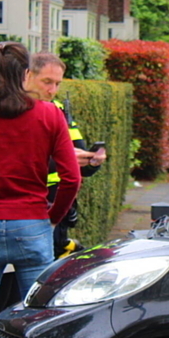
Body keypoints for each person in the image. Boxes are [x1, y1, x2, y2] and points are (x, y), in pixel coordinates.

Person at [0, 42, 81, 334]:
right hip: (32, 224)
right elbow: (72, 178)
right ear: (26, 74)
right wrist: (53, 217)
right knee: (39, 319)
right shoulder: (49, 114)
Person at [23, 52, 106, 256]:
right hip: (25, 206)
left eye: (57, 84)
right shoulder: (11, 110)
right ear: (27, 76)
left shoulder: (59, 110)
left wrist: (92, 161)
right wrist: (64, 161)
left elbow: (80, 158)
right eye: (47, 82)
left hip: (56, 205)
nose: (52, 90)